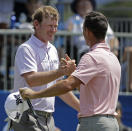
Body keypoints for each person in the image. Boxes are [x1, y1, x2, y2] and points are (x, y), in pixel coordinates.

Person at [20, 11, 121, 131]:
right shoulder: (113, 58)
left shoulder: (91, 57)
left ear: (87, 32)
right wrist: (74, 73)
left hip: (94, 124)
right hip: (112, 124)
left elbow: (67, 85)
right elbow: (93, 90)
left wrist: (34, 95)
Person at [11, 5, 80, 131]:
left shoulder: (53, 49)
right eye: (50, 26)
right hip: (27, 115)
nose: (53, 30)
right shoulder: (26, 49)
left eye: (56, 26)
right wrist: (60, 72)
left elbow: (58, 85)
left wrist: (82, 108)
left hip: (46, 117)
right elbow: (32, 79)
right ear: (36, 24)